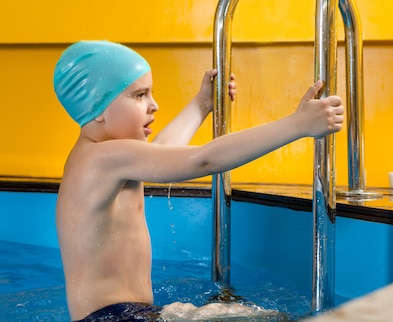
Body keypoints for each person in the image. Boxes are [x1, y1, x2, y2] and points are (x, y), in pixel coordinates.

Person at [53, 40, 344, 321]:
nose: (153, 105)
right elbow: (204, 159)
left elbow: (163, 154)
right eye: (139, 95)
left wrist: (201, 104)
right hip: (112, 318)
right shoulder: (101, 158)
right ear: (99, 108)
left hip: (129, 314)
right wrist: (296, 125)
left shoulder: (106, 158)